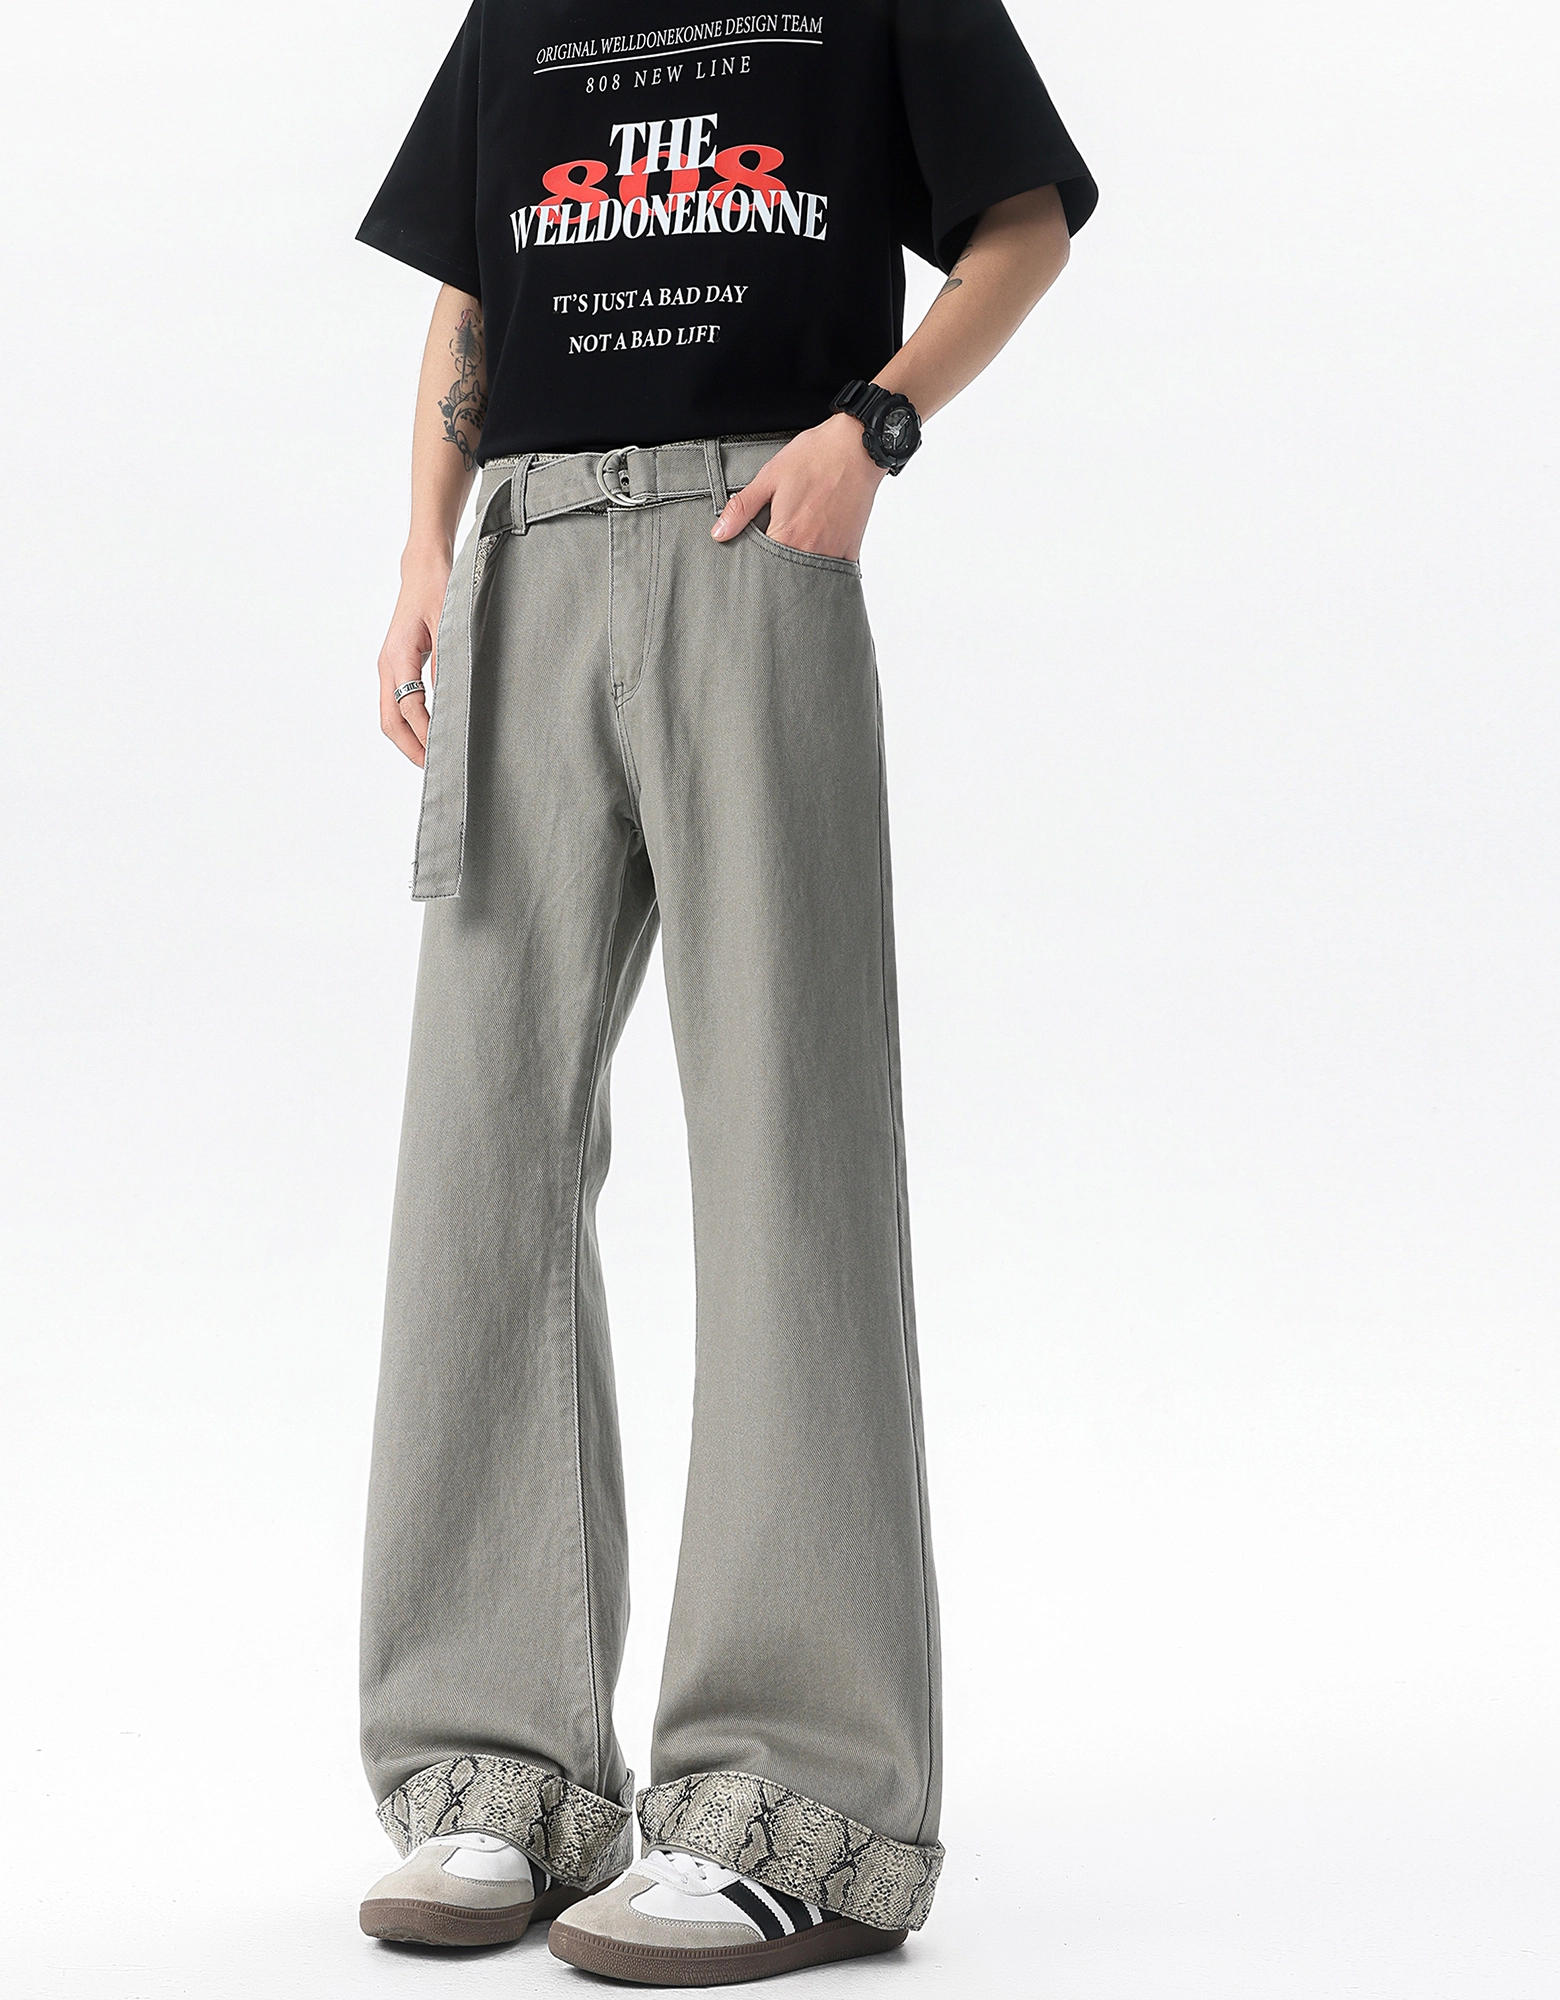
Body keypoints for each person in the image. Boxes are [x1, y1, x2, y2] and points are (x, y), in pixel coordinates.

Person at [350, 0, 1095, 1982]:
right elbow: (471, 286)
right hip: (526, 556)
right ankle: (493, 1770)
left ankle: (795, 1799)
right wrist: (423, 551)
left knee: (783, 1140)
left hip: (754, 535)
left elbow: (1022, 219)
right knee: (479, 1161)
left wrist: (878, 426)